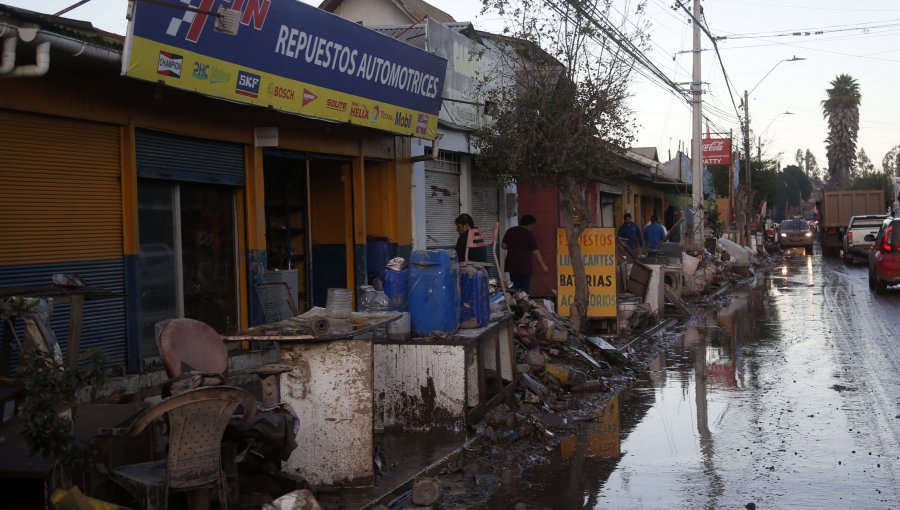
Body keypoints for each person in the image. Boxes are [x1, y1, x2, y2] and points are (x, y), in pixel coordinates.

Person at [501, 214, 548, 293]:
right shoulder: (528, 234)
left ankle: (514, 303)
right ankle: (523, 303)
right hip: (524, 266)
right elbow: (535, 252)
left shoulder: (510, 231)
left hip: (511, 264)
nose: (532, 227)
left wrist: (513, 248)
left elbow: (503, 245)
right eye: (533, 225)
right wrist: (543, 266)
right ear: (529, 224)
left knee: (514, 287)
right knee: (524, 290)